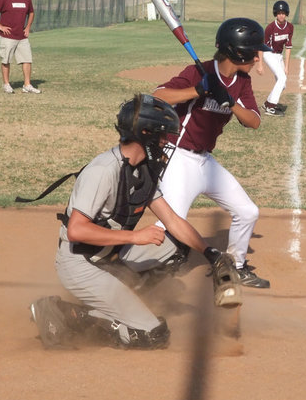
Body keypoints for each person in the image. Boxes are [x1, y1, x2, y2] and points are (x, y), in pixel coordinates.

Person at [29, 94, 240, 350]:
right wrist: (133, 237)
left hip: (109, 255)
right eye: (163, 137)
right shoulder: (103, 171)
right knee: (153, 335)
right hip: (80, 263)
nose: (166, 143)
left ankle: (127, 297)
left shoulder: (144, 170)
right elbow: (76, 230)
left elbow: (172, 220)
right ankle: (62, 312)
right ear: (146, 135)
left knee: (176, 246)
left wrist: (211, 254)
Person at [152, 18, 272, 288]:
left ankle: (236, 266)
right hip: (178, 158)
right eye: (253, 52)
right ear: (237, 53)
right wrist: (197, 90)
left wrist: (230, 103)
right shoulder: (200, 72)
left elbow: (254, 121)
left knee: (248, 211)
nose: (256, 58)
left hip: (205, 162)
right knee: (171, 223)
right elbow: (157, 96)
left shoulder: (241, 81)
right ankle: (136, 268)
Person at [0, 0, 41, 94]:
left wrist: (27, 27)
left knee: (27, 60)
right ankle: (6, 84)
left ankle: (27, 85)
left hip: (21, 36)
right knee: (6, 60)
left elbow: (31, 13)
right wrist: (0, 26)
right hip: (7, 36)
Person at [256, 0, 294, 116]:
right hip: (268, 53)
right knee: (282, 78)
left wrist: (286, 66)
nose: (281, 15)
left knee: (283, 83)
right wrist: (260, 64)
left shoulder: (290, 27)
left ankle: (267, 103)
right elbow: (261, 46)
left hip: (279, 55)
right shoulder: (270, 28)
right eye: (278, 13)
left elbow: (288, 47)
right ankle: (270, 108)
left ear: (286, 14)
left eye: (283, 13)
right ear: (275, 14)